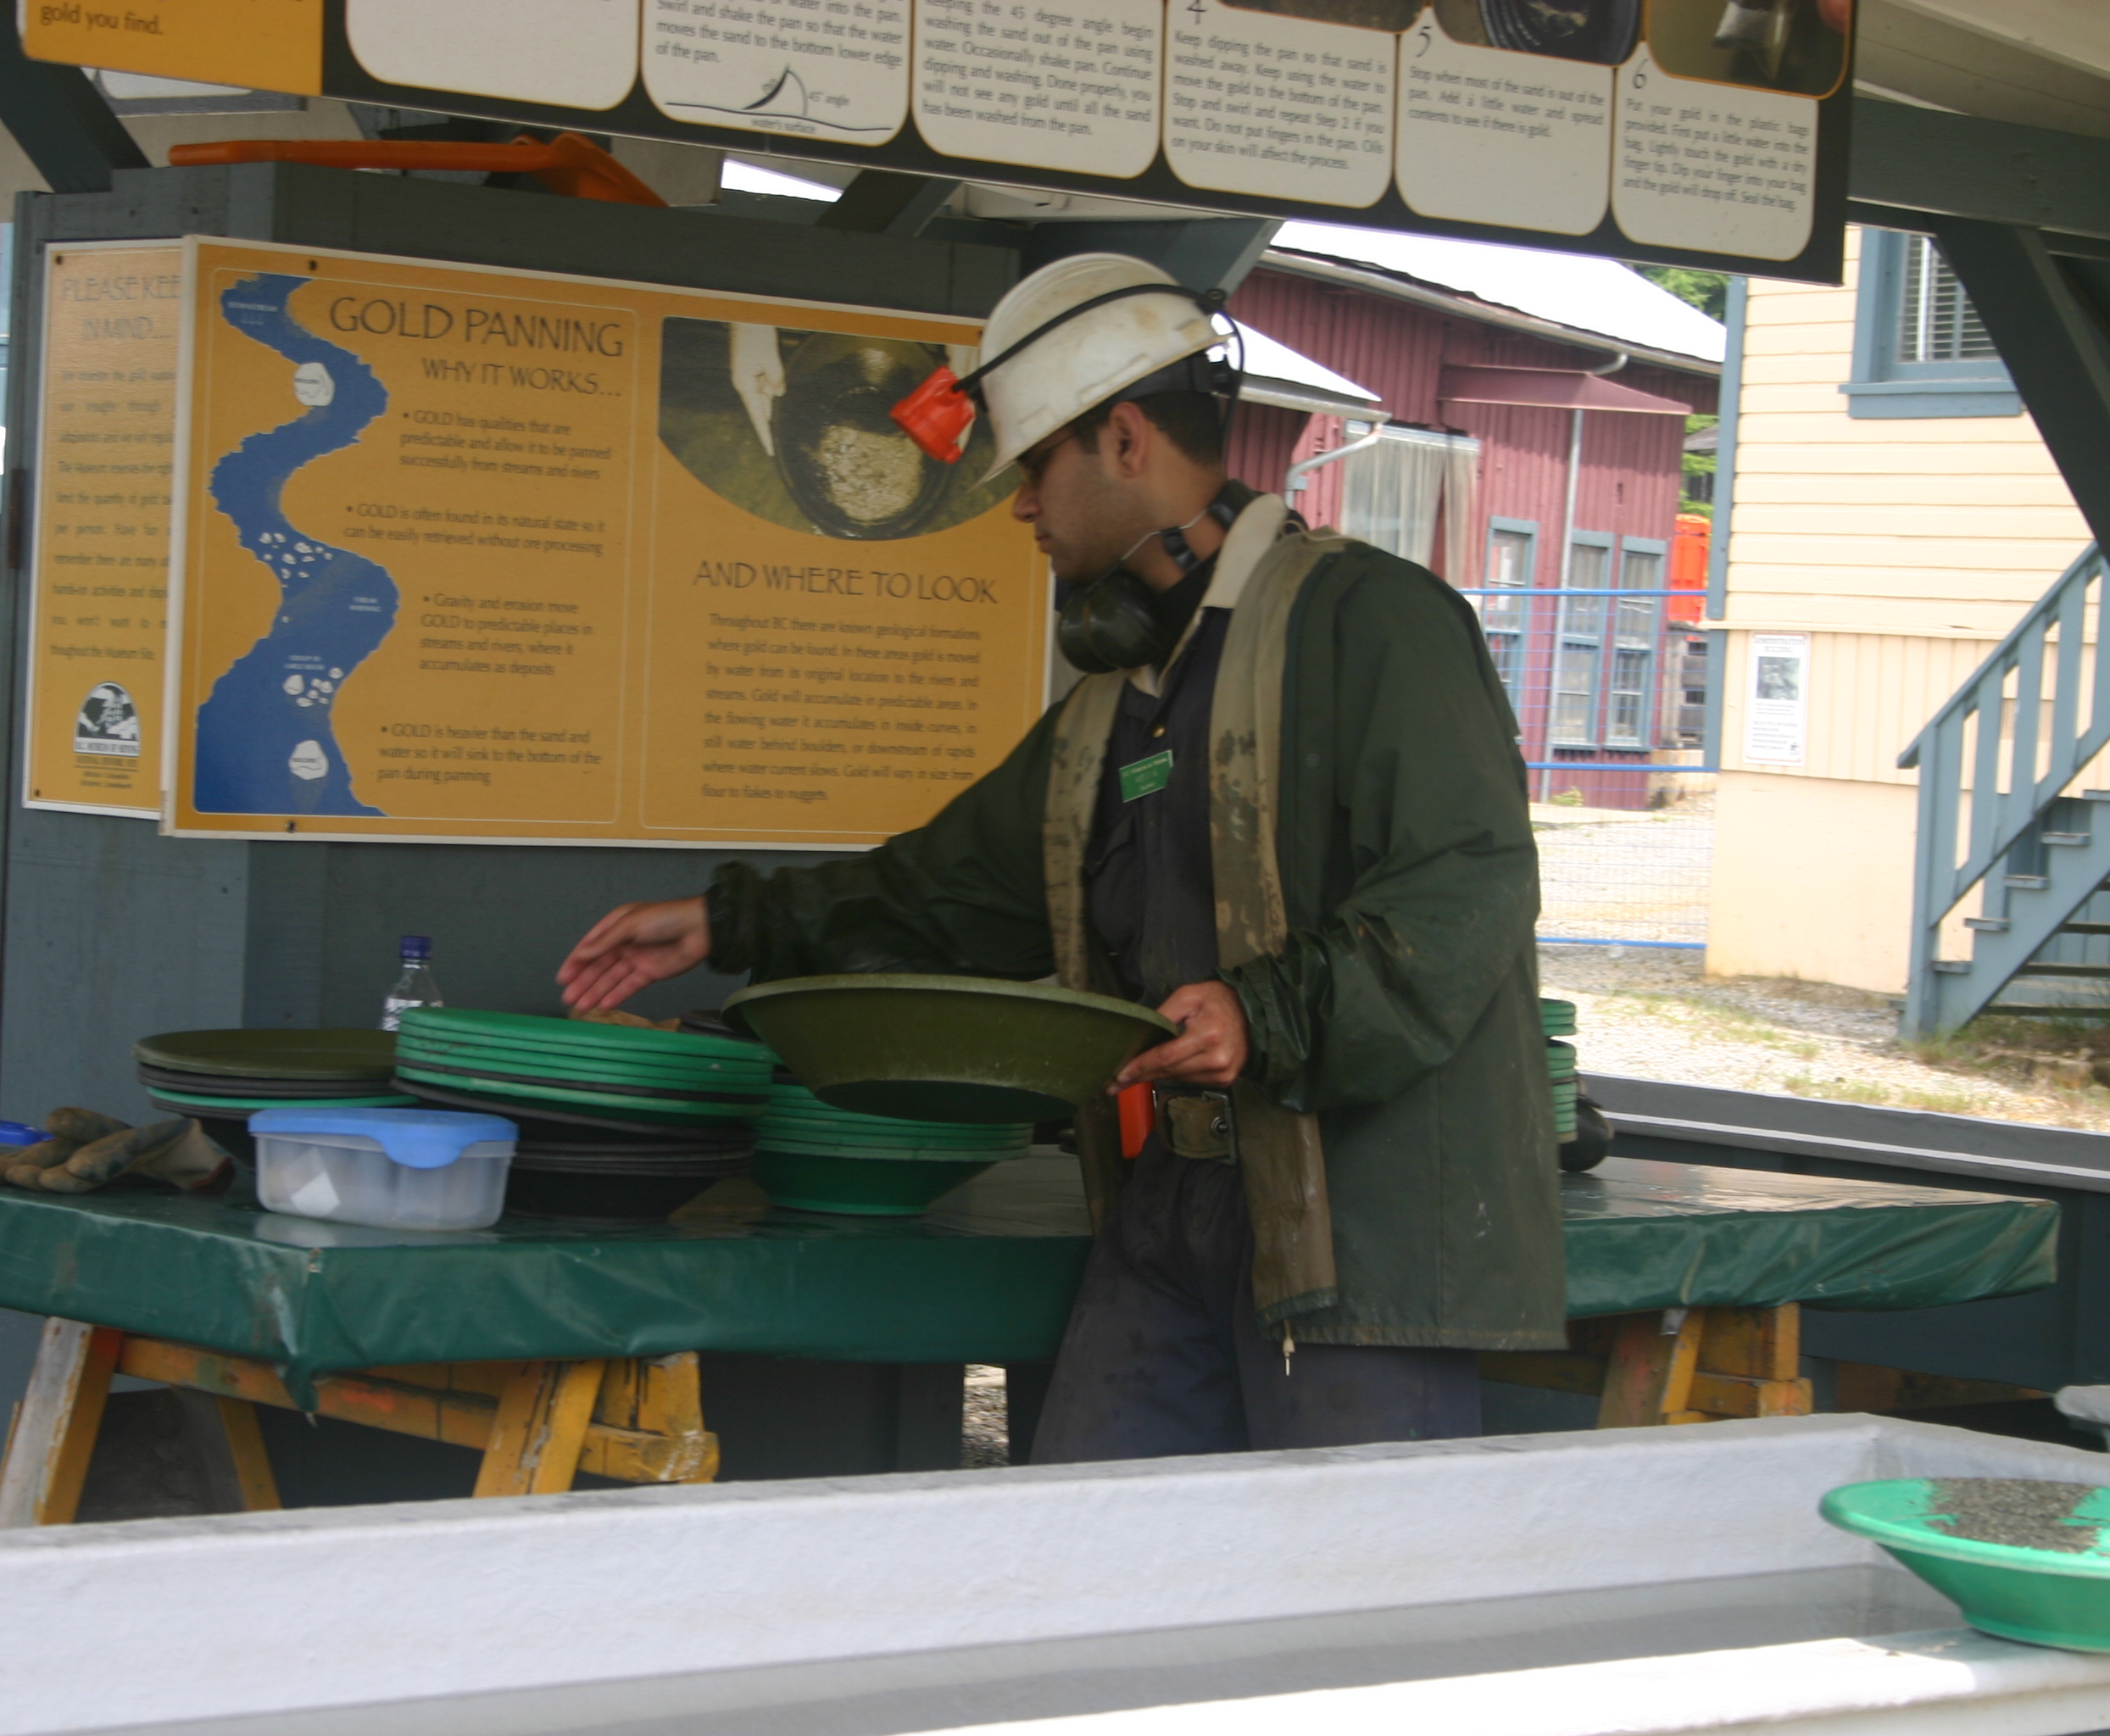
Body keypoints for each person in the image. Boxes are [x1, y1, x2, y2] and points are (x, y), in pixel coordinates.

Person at [560, 253, 1563, 1462]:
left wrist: (1264, 1012)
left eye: (1036, 468)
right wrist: (729, 922)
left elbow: (1466, 887)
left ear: (1126, 438)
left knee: (1347, 1573)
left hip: (1362, 1235)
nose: (1022, 506)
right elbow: (954, 890)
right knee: (1087, 1540)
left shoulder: (1375, 621)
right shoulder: (1118, 701)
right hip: (1170, 1205)